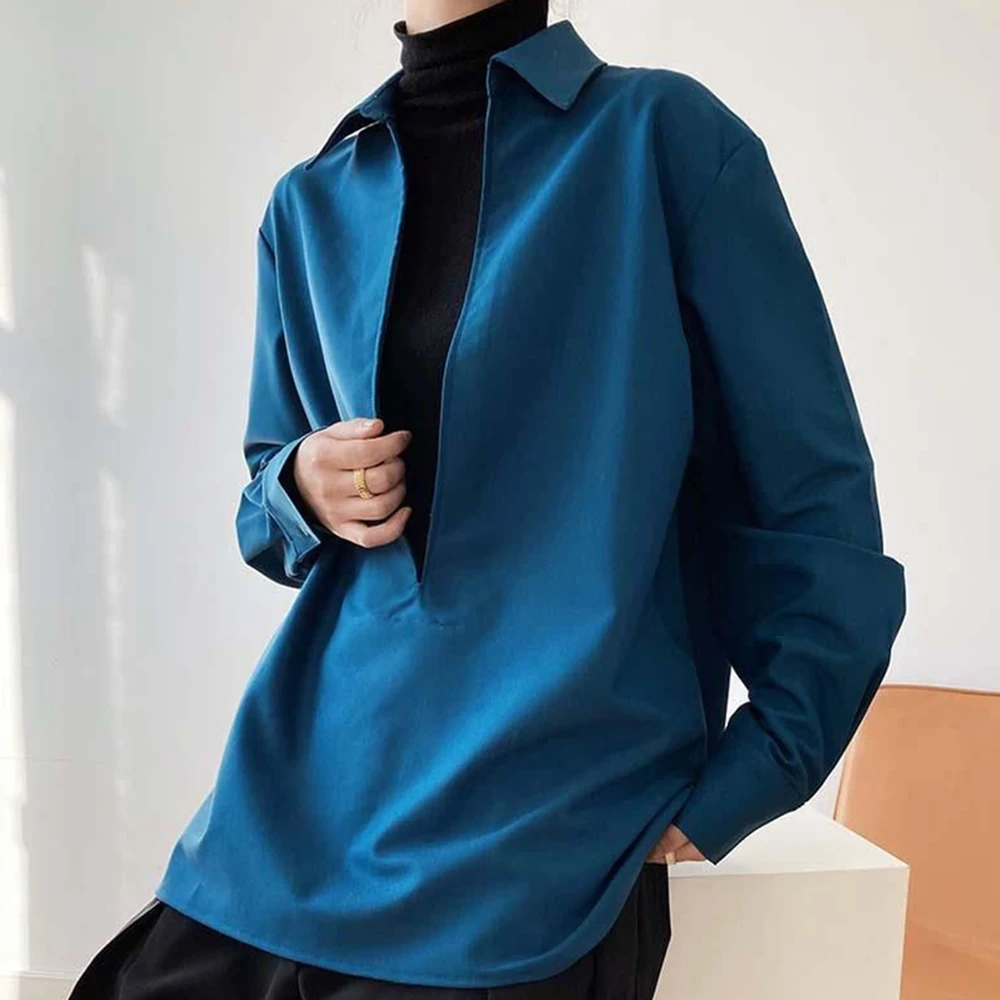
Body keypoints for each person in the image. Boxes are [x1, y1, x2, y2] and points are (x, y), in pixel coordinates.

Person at [69, 0, 907, 997]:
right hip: (301, 791)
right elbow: (265, 511)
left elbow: (810, 490)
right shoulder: (310, 201)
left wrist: (759, 768)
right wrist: (299, 484)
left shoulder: (662, 142)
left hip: (540, 827)